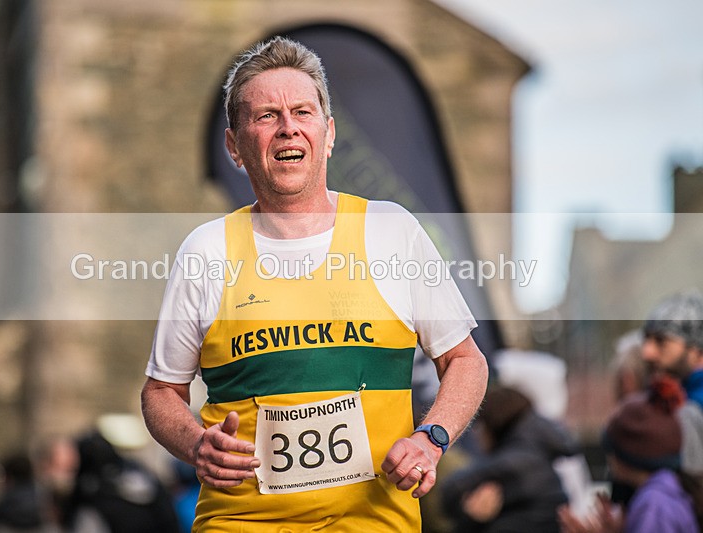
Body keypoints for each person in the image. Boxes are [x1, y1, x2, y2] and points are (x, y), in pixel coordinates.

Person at [140, 36, 488, 531]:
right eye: (265, 116)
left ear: (327, 135)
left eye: (302, 112)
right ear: (234, 145)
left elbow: (465, 361)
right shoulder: (207, 250)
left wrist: (431, 436)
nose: (287, 128)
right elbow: (160, 393)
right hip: (241, 523)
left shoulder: (390, 230)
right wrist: (196, 443)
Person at [557, 375, 700, 533]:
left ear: (627, 456)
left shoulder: (653, 507)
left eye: (611, 450)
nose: (609, 459)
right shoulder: (664, 493)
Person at [439, 385, 580, 533]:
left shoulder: (518, 464)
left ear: (491, 424)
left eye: (479, 426)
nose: (476, 435)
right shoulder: (536, 453)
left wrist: (471, 519)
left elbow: (452, 490)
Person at [641, 290, 703, 475]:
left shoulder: (692, 408)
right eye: (647, 340)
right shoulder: (676, 397)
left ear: (696, 349)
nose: (647, 353)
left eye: (661, 341)